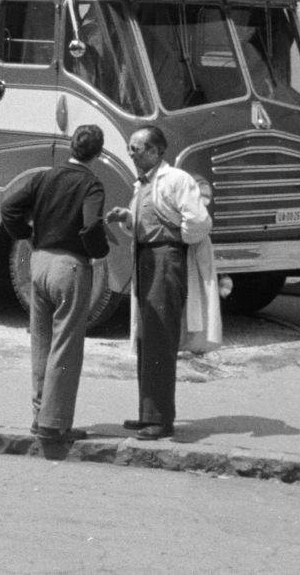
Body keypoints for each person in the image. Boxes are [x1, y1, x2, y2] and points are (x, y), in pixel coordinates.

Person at [1, 124, 110, 446]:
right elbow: (91, 227)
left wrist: (26, 233)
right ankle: (55, 423)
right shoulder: (92, 184)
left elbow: (9, 206)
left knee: (41, 343)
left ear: (71, 147)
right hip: (69, 268)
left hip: (39, 263)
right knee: (66, 346)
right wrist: (100, 253)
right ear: (99, 153)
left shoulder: (44, 177)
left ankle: (38, 417)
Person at [109, 125, 211, 440]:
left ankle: (161, 419)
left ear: (155, 151)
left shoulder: (177, 180)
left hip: (165, 260)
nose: (130, 152)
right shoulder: (144, 184)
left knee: (160, 341)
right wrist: (128, 219)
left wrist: (172, 241)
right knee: (146, 339)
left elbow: (198, 222)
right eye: (130, 147)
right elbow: (145, 223)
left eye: (136, 148)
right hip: (146, 260)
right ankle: (148, 413)